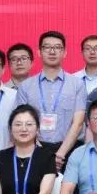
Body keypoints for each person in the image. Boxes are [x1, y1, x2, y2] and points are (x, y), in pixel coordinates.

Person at [15, 31, 88, 165]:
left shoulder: (77, 84)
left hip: (70, 149)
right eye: (47, 47)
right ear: (39, 52)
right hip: (35, 149)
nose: (52, 51)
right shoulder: (25, 86)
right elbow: (21, 122)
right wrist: (40, 153)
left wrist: (61, 154)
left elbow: (78, 123)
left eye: (57, 47)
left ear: (64, 53)